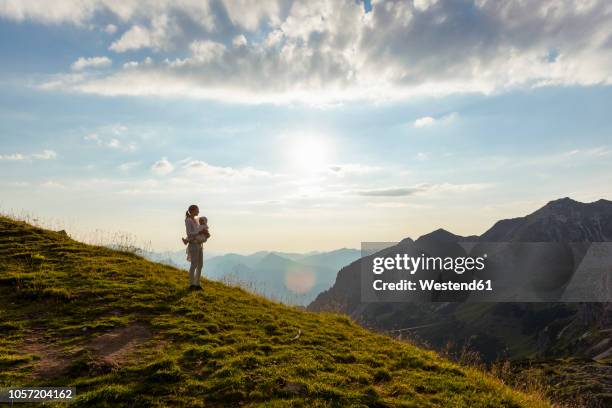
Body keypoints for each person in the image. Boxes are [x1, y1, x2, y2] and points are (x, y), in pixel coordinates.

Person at [184, 204, 206, 290]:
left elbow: (197, 230)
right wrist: (199, 231)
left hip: (199, 244)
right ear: (193, 210)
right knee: (194, 264)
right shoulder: (188, 220)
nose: (198, 211)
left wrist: (202, 232)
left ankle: (197, 284)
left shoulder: (195, 220)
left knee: (200, 265)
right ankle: (191, 284)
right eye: (197, 210)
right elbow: (189, 233)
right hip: (193, 244)